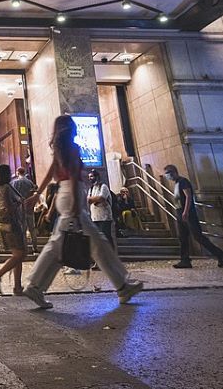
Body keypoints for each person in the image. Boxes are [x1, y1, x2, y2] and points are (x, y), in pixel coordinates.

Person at [24, 115, 144, 309]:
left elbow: (50, 174)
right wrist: (75, 211)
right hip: (72, 196)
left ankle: (35, 286)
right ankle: (122, 286)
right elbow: (72, 176)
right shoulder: (72, 147)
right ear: (69, 127)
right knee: (89, 243)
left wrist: (37, 194)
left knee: (66, 245)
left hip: (65, 194)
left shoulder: (58, 148)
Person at [164, 164, 223, 269]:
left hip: (188, 213)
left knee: (198, 236)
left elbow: (188, 196)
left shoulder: (183, 181)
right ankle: (185, 260)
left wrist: (186, 211)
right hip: (180, 212)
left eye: (168, 173)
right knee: (183, 237)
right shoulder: (176, 183)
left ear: (173, 172)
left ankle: (220, 254)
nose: (167, 176)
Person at [0, 164, 37, 296]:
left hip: (5, 224)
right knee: (20, 254)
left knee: (19, 254)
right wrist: (18, 204)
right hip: (12, 224)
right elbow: (10, 206)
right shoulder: (6, 188)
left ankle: (17, 286)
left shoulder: (0, 188)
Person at [12, 166, 39, 252]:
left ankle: (25, 248)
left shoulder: (15, 183)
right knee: (32, 229)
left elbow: (13, 195)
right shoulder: (30, 182)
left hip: (20, 209)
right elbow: (34, 193)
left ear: (17, 172)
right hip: (29, 208)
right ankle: (35, 247)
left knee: (23, 230)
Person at [86, 169, 115, 247]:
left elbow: (101, 198)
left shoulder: (103, 186)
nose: (90, 178)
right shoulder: (91, 189)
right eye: (89, 177)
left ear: (96, 177)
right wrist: (95, 199)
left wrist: (94, 199)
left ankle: (111, 254)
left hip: (105, 217)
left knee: (106, 236)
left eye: (91, 176)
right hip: (95, 217)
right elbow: (88, 200)